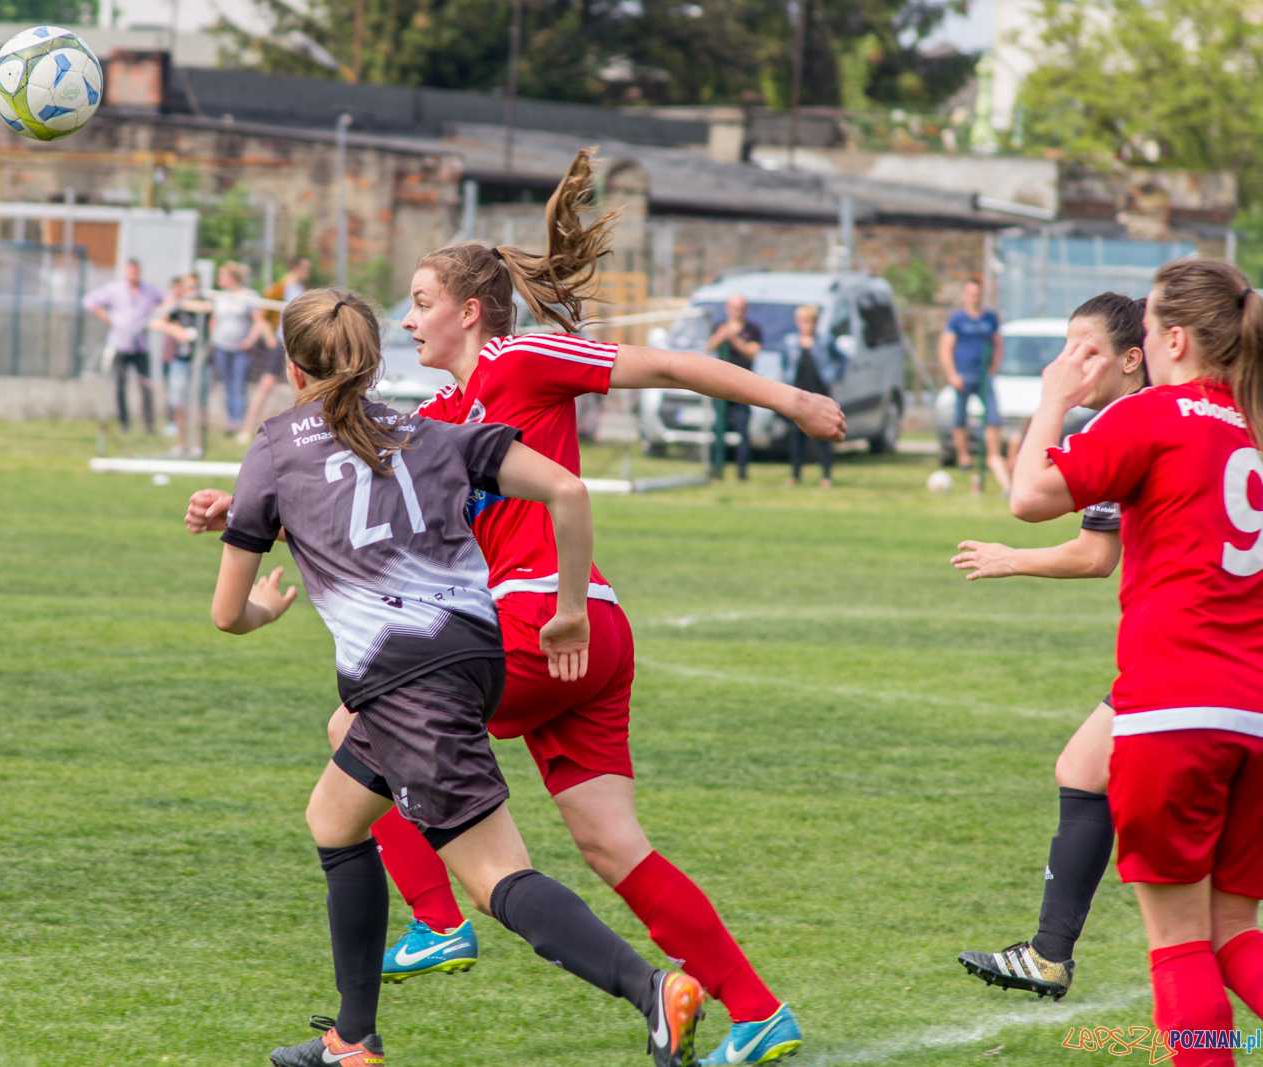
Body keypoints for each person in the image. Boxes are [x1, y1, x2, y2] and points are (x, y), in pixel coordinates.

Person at [190, 147, 844, 1066]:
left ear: (468, 310)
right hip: (573, 640)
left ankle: (436, 924)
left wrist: (793, 400)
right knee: (611, 843)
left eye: (420, 301)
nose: (407, 319)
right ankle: (757, 1008)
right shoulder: (440, 414)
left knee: (357, 723)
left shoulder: (522, 355)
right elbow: (342, 483)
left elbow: (667, 364)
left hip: (548, 621)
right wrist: (241, 506)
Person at [204, 288, 708, 1067]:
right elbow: (568, 489)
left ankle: (654, 989)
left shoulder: (273, 446)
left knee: (496, 877)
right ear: (374, 362)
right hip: (475, 656)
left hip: (405, 681)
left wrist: (264, 604)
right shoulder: (432, 431)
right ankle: (352, 1039)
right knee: (334, 817)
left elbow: (226, 614)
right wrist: (569, 606)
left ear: (293, 367)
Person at [1008, 259, 1263, 1066]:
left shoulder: (1152, 413)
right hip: (1254, 710)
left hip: (1175, 706)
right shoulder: (1254, 424)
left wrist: (1053, 397)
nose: (1143, 344)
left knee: (1180, 943)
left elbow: (1029, 495)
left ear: (1175, 338)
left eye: (1148, 329)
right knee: (1234, 934)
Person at [949, 294, 1147, 1000]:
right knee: (1084, 767)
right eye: (1066, 349)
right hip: (1203, 645)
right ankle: (1048, 953)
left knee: (1198, 907)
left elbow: (1033, 500)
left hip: (1197, 647)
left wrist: (1051, 402)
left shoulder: (1131, 421)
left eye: (1086, 351)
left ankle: (1052, 954)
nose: (1069, 363)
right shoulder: (1193, 413)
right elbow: (1100, 551)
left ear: (1134, 358)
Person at [940, 278, 1011, 493]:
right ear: (965, 295)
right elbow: (946, 347)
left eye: (978, 293)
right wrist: (952, 374)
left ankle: (993, 455)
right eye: (971, 293)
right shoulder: (957, 319)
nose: (975, 297)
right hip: (963, 375)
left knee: (993, 416)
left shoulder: (990, 318)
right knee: (959, 417)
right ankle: (964, 458)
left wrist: (994, 367)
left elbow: (998, 344)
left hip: (983, 377)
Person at [83, 259, 164, 436]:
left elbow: (166, 301)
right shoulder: (114, 289)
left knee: (145, 385)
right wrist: (108, 318)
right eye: (130, 271)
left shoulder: (148, 290)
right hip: (120, 344)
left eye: (136, 271)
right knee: (120, 386)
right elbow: (89, 301)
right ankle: (124, 422)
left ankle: (148, 423)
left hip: (140, 345)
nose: (133, 275)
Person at [244, 256, 314, 439]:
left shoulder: (306, 291)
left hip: (298, 346)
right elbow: (261, 317)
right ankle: (247, 428)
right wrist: (269, 338)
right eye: (305, 268)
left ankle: (302, 431)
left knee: (302, 389)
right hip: (280, 345)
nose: (308, 272)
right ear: (296, 268)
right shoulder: (278, 289)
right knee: (265, 385)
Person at [204, 262, 270, 436]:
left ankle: (240, 422)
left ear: (232, 277)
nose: (219, 279)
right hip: (221, 347)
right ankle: (230, 421)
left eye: (222, 275)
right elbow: (214, 319)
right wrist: (213, 337)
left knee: (238, 384)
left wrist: (250, 340)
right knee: (226, 384)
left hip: (241, 349)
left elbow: (258, 320)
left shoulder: (249, 295)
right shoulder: (219, 296)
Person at [780, 305, 841, 488]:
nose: (807, 324)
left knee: (824, 434)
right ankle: (795, 475)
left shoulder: (825, 340)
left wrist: (834, 375)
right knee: (796, 436)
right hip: (798, 395)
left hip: (819, 392)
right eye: (804, 320)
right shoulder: (790, 342)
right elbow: (785, 364)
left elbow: (841, 358)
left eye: (811, 321)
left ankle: (826, 476)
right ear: (798, 322)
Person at [705, 295, 762, 480]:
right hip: (720, 385)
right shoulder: (719, 327)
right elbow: (708, 347)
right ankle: (716, 469)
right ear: (728, 309)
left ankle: (742, 472)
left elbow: (752, 352)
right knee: (718, 428)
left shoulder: (752, 330)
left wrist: (733, 338)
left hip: (743, 386)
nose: (737, 311)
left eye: (741, 307)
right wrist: (720, 336)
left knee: (742, 428)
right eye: (734, 307)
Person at [151, 273, 202, 456]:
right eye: (188, 287)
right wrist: (175, 330)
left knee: (198, 405)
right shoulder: (176, 306)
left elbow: (206, 307)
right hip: (179, 361)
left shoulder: (202, 305)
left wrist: (187, 303)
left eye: (194, 287)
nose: (191, 291)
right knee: (179, 405)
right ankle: (182, 444)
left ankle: (198, 446)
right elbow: (155, 321)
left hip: (199, 362)